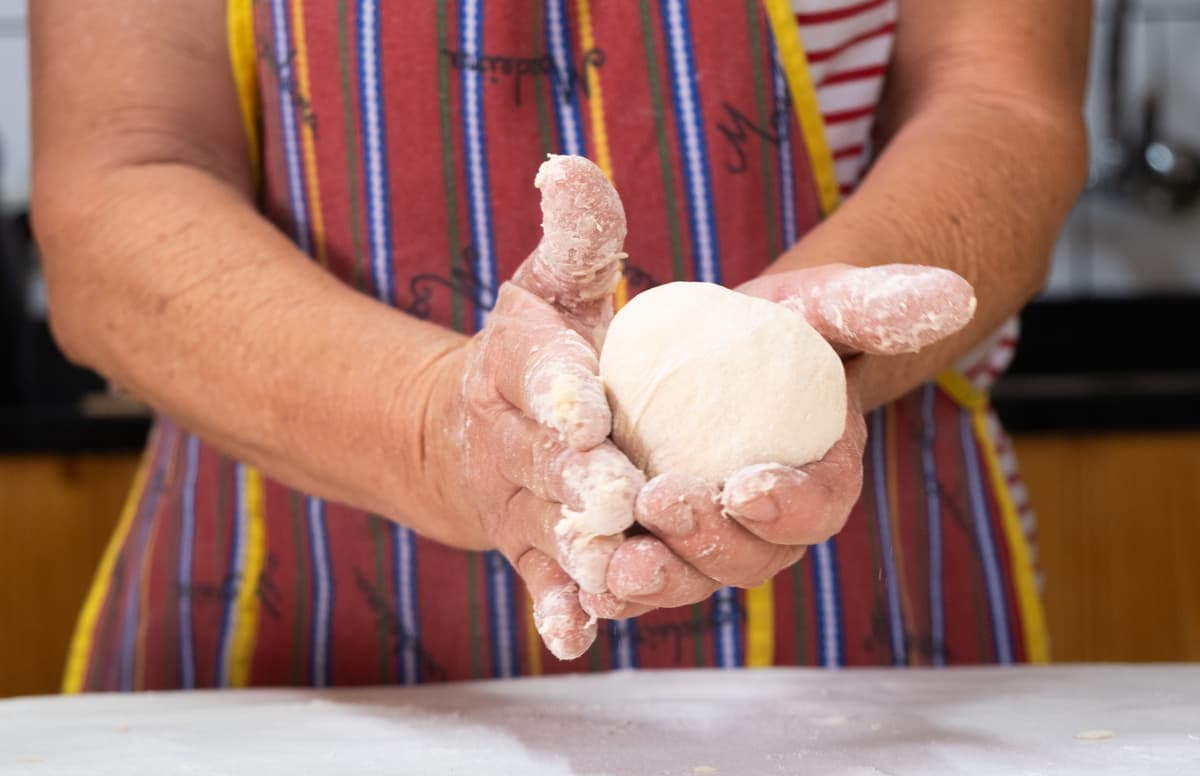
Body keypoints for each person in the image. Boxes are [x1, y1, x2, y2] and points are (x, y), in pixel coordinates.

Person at [30, 0, 1089, 691]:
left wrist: (788, 353)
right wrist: (437, 427)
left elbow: (997, 104)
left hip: (854, 590)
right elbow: (120, 175)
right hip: (298, 619)